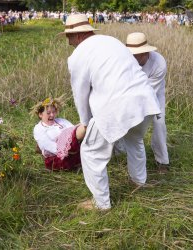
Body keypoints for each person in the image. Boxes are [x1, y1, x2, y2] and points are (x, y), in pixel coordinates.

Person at [60, 14, 161, 210]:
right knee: (135, 140)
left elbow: (80, 92)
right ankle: (139, 182)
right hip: (145, 100)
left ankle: (101, 203)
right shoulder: (111, 41)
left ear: (79, 36)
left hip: (117, 105)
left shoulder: (77, 56)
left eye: (69, 36)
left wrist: (85, 122)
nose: (68, 41)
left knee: (91, 152)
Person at [126, 32, 170, 173]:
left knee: (159, 123)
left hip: (154, 95)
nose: (134, 57)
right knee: (124, 120)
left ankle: (162, 161)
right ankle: (119, 150)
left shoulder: (159, 63)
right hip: (128, 95)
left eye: (137, 54)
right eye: (132, 54)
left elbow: (147, 91)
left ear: (145, 52)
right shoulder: (125, 60)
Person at [31, 96, 86, 171]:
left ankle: (88, 124)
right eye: (48, 113)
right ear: (40, 115)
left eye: (54, 112)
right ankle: (87, 124)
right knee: (83, 127)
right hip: (57, 157)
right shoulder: (38, 128)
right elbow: (46, 144)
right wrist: (63, 150)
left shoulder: (61, 121)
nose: (52, 115)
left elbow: (73, 129)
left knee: (81, 128)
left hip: (72, 146)